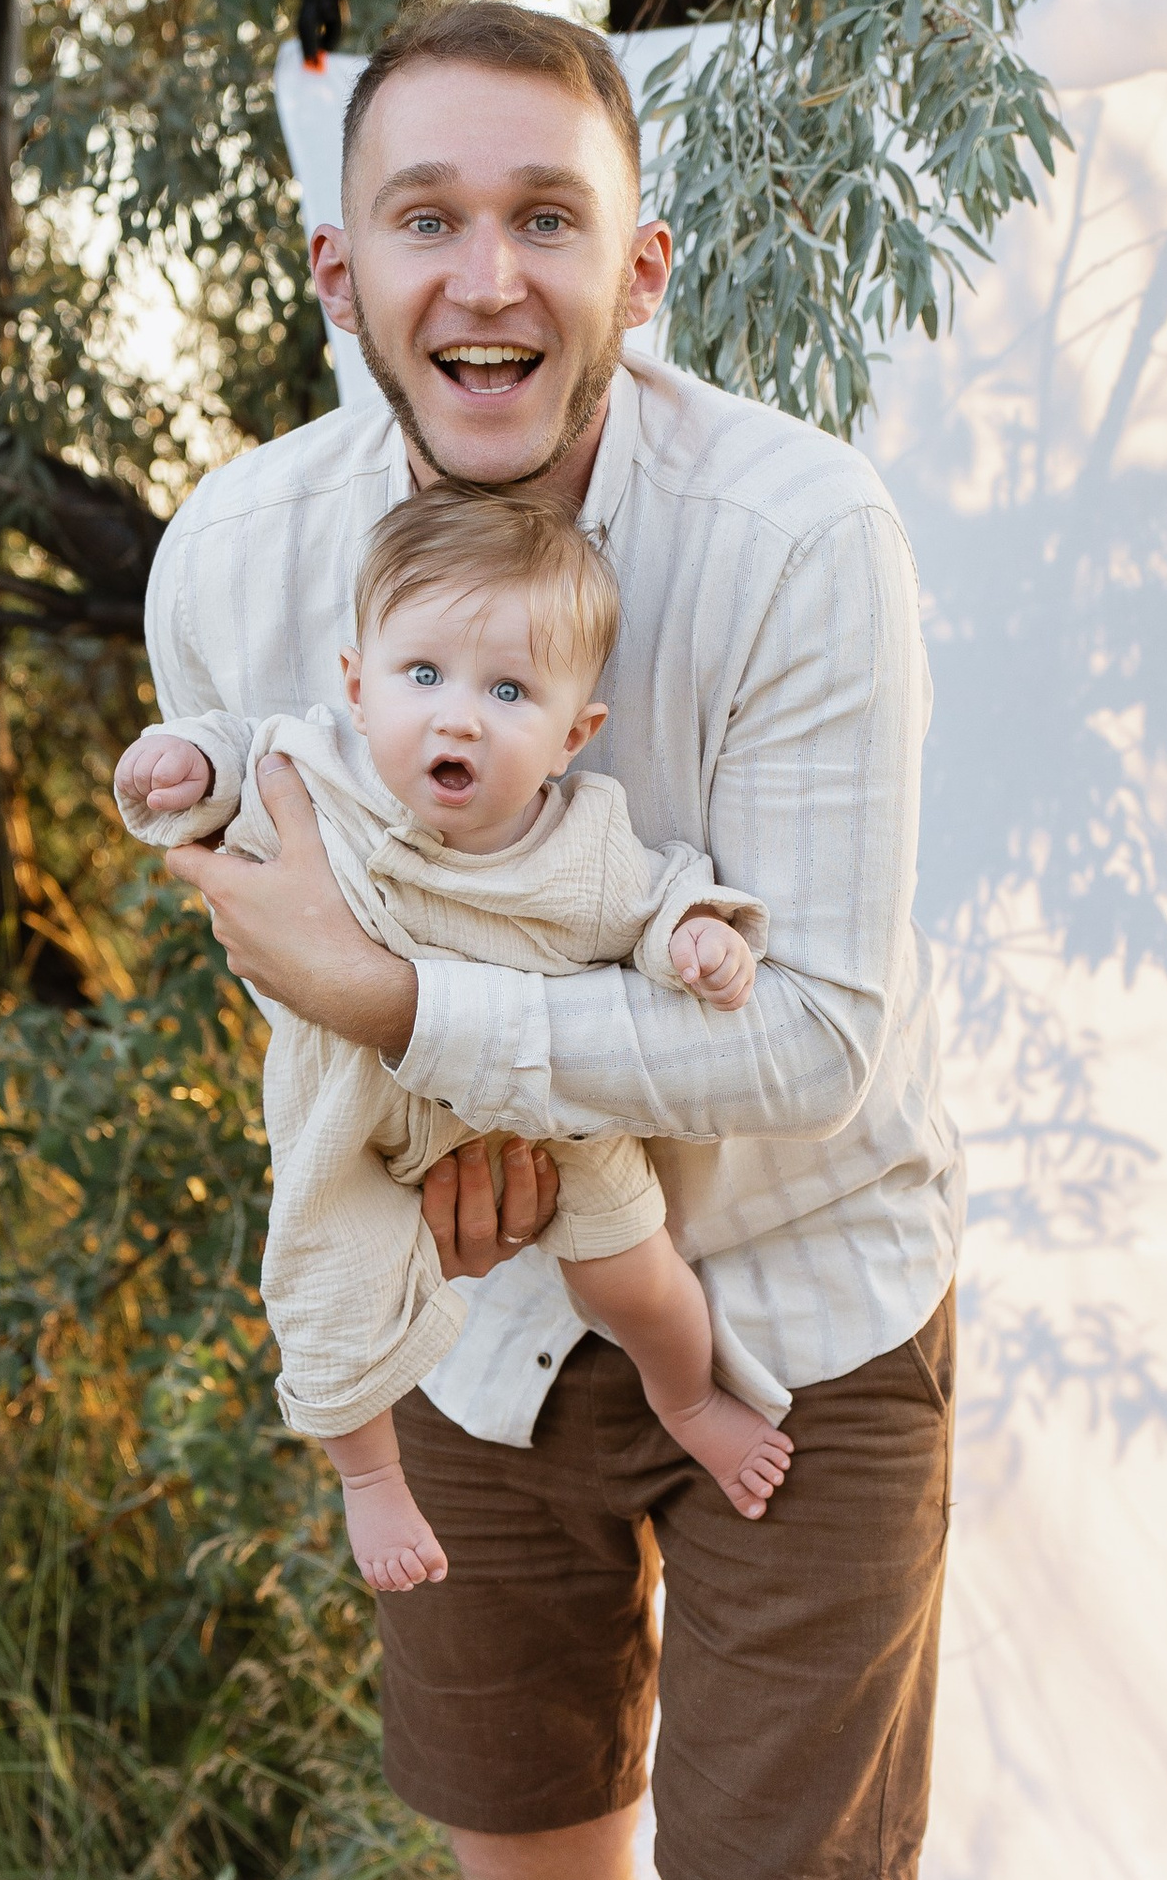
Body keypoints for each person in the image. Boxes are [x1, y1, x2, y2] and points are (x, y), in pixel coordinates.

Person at [133, 0, 961, 1880]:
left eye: (542, 215)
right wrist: (428, 1086)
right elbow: (272, 934)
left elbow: (815, 1039)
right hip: (470, 1307)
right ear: (336, 262)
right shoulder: (240, 558)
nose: (485, 273)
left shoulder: (801, 539)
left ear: (642, 260)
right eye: (428, 216)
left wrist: (437, 1021)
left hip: (794, 1304)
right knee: (519, 1853)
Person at [112, 484, 792, 1590]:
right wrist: (184, 766)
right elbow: (236, 761)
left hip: (547, 1117)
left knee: (640, 1277)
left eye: (508, 690)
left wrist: (695, 939)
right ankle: (370, 1477)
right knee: (325, 1281)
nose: (458, 716)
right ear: (356, 686)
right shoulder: (317, 775)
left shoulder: (582, 842)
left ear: (573, 736)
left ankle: (689, 1403)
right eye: (421, 675)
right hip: (357, 1117)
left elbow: (657, 898)